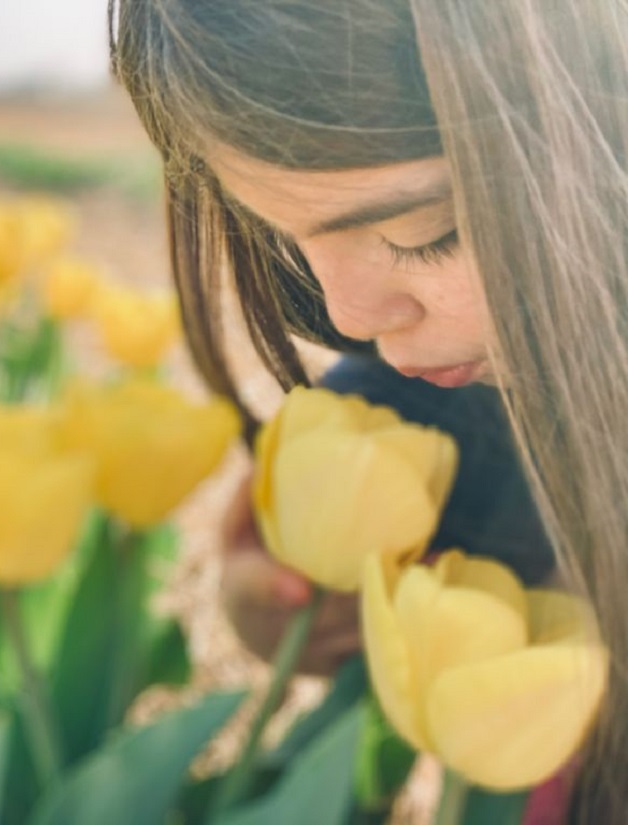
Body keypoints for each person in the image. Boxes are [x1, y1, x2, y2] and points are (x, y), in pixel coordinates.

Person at [107, 1, 628, 821]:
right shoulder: (460, 394)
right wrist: (289, 590)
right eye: (285, 239)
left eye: (428, 232)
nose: (348, 317)